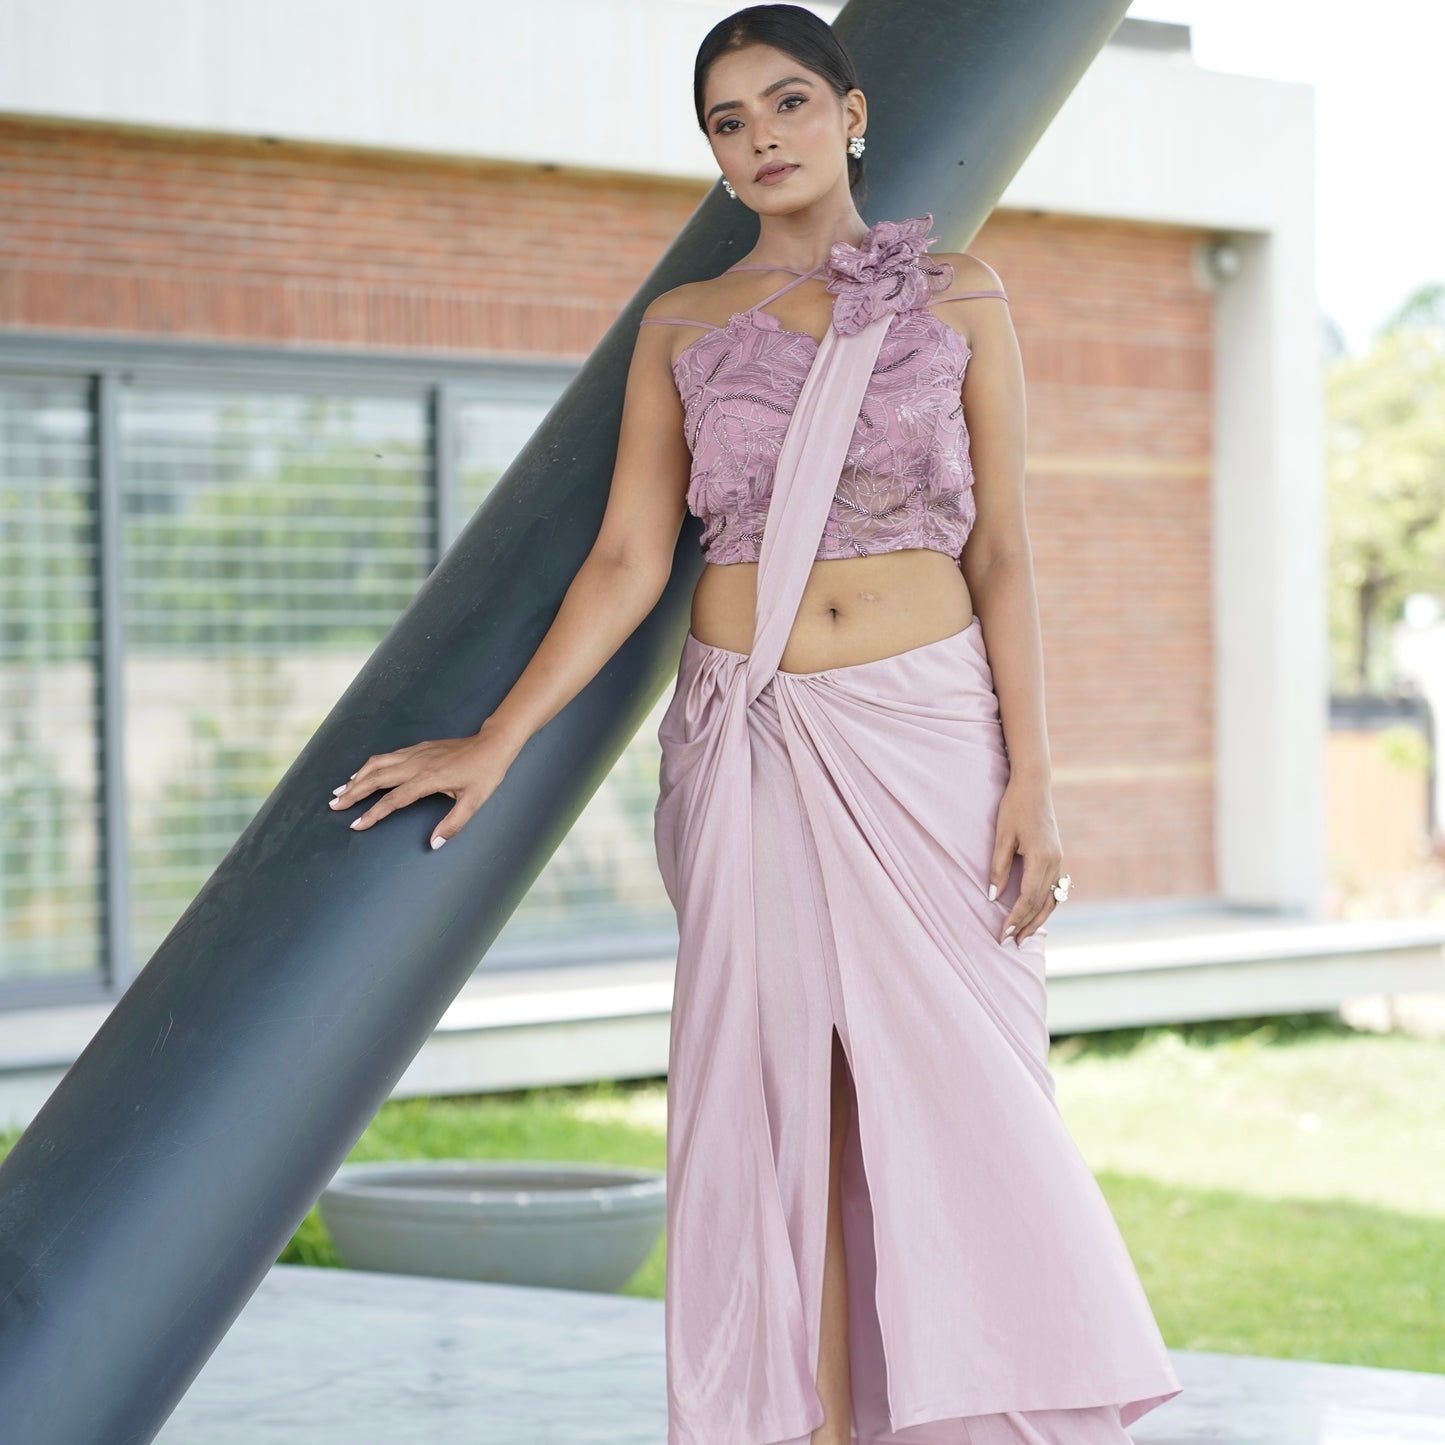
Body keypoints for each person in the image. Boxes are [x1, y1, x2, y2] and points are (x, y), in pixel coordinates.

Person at [328, 5, 1183, 1442]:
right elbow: (626, 563)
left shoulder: (960, 294)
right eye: (728, 123)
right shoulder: (681, 325)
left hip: (926, 740)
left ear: (850, 113)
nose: (761, 138)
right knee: (788, 1092)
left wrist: (1036, 774)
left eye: (786, 103)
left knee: (962, 1091)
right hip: (752, 744)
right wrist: (499, 735)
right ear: (715, 159)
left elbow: (1007, 555)